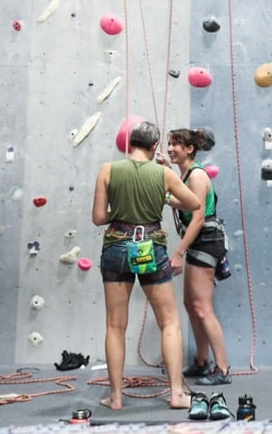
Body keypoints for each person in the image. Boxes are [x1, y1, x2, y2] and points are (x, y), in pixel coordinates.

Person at [92, 120, 201, 411]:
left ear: (130, 144)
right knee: (169, 322)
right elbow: (193, 204)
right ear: (154, 147)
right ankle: (177, 394)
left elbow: (99, 218)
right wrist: (164, 198)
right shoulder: (164, 173)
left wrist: (122, 210)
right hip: (151, 245)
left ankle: (115, 397)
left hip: (116, 245)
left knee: (115, 326)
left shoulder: (107, 170)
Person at [159, 128, 231, 385]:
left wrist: (178, 254)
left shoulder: (197, 176)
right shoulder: (188, 174)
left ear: (190, 149)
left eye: (175, 144)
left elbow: (198, 216)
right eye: (169, 143)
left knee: (202, 308)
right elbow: (186, 203)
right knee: (192, 306)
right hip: (200, 241)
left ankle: (221, 368)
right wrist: (169, 173)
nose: (170, 148)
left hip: (206, 241)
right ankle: (202, 362)